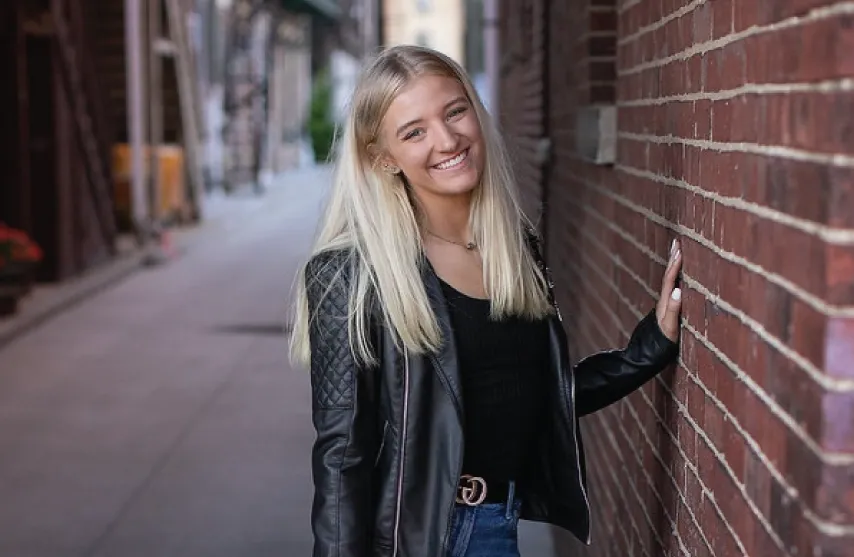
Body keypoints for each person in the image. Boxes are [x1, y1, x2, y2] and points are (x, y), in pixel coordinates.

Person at [290, 45, 683, 557]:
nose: (447, 140)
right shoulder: (350, 275)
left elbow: (532, 393)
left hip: (497, 525)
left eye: (455, 111)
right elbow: (342, 458)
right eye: (414, 131)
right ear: (382, 157)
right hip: (422, 540)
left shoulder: (511, 246)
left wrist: (649, 347)